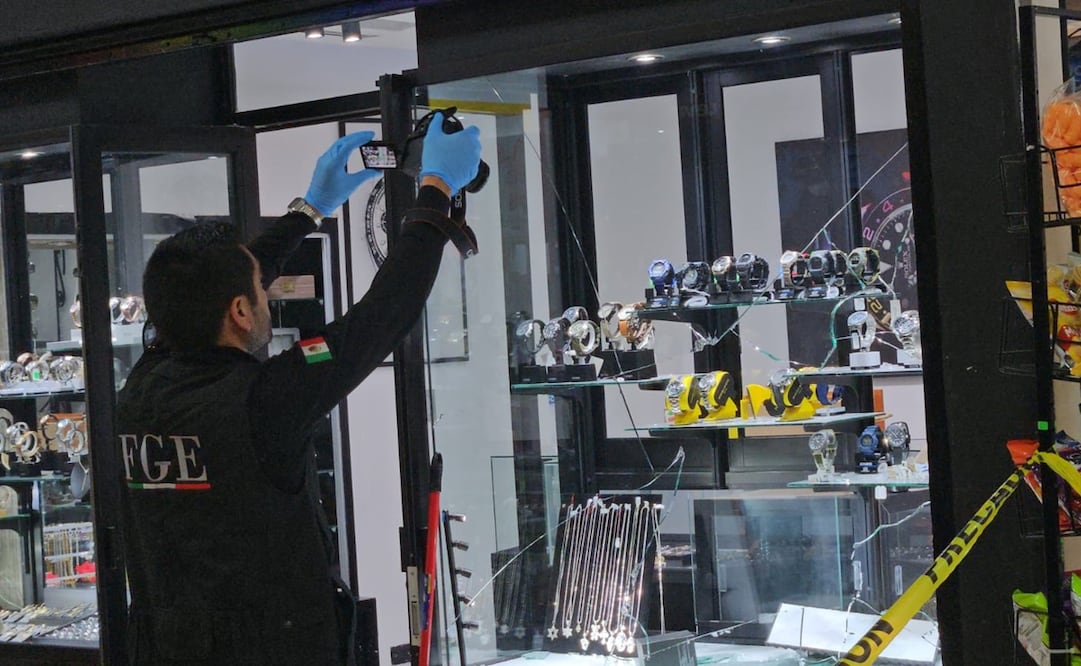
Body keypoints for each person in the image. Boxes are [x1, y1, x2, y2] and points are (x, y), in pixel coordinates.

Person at [115, 114, 482, 665]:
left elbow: (213, 286)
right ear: (240, 312)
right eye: (259, 293)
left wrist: (310, 208)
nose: (267, 296)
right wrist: (434, 192)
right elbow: (383, 316)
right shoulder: (261, 404)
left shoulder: (139, 390)